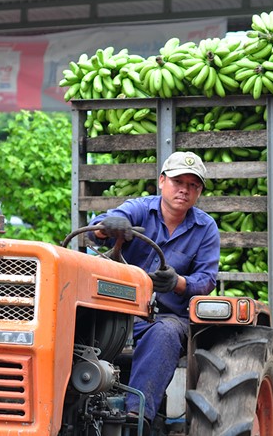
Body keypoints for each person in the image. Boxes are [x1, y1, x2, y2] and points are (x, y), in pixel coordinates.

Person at [87, 151, 220, 427]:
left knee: (165, 332)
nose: (184, 190)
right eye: (177, 182)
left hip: (167, 318)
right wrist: (107, 228)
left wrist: (178, 282)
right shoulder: (139, 208)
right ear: (162, 181)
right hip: (119, 314)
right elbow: (99, 227)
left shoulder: (206, 228)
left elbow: (207, 280)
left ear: (199, 192)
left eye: (192, 185)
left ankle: (135, 419)